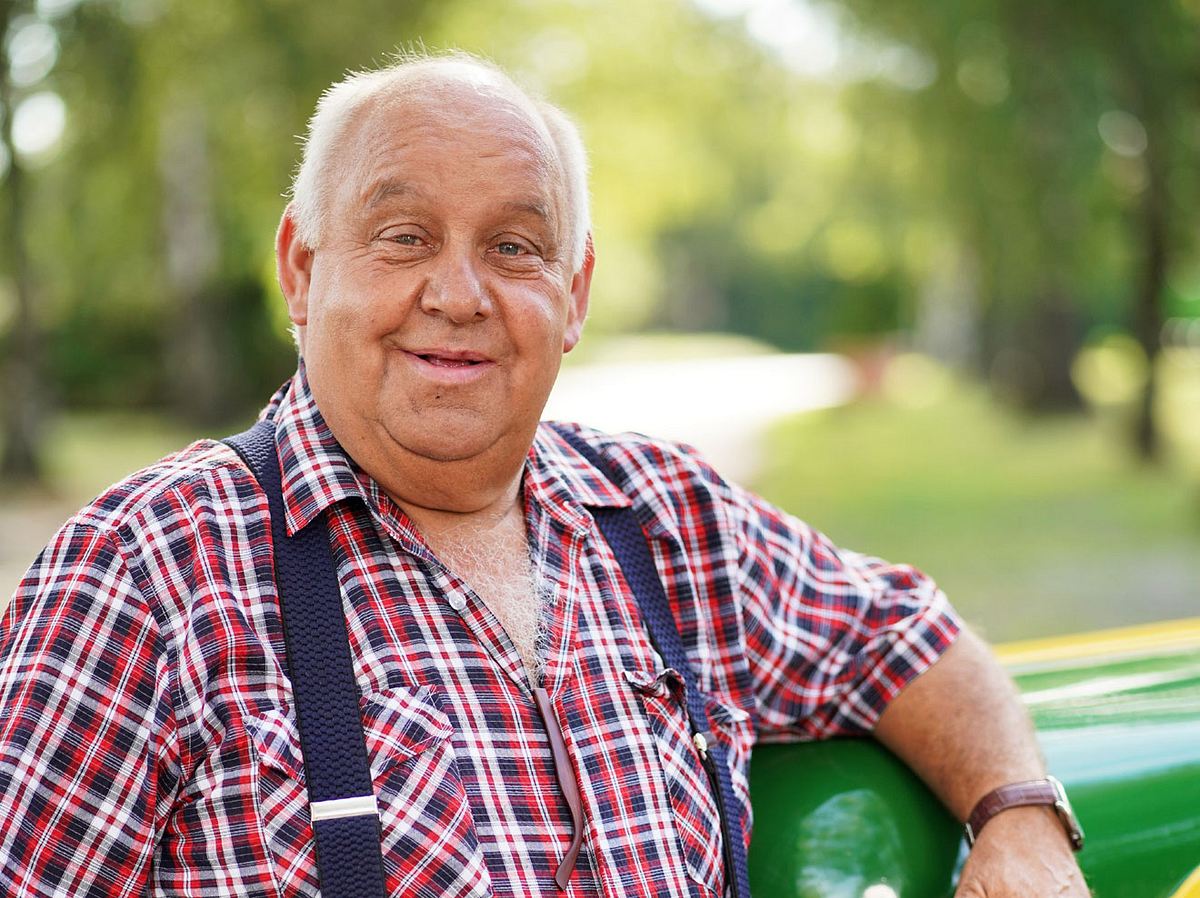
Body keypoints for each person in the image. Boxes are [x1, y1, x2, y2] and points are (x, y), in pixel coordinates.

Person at [0, 52, 1086, 898]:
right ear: (301, 265)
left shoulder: (667, 517)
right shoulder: (146, 570)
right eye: (404, 235)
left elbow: (906, 636)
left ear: (574, 294)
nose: (460, 293)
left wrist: (1021, 814)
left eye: (516, 248)